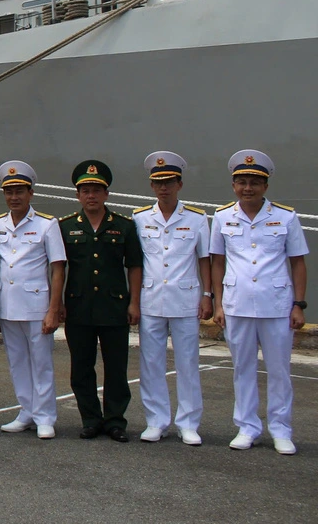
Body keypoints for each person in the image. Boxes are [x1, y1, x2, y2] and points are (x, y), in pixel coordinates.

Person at [211, 150, 308, 455]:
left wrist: (298, 304)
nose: (248, 188)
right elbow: (217, 262)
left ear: (265, 186)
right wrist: (218, 304)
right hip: (238, 303)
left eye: (254, 182)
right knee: (243, 368)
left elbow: (298, 263)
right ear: (233, 185)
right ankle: (247, 427)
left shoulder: (286, 216)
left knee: (279, 370)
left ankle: (281, 429)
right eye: (242, 182)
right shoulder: (222, 216)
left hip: (276, 305)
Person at [59, 160, 142, 442]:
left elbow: (134, 266)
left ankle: (116, 420)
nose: (91, 195)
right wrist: (57, 303)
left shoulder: (124, 226)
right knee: (81, 367)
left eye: (96, 189)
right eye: (85, 190)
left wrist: (134, 303)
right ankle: (91, 419)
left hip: (114, 306)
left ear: (106, 194)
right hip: (78, 306)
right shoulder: (66, 227)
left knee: (116, 367)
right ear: (77, 195)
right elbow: (58, 268)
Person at [132, 151, 211, 446]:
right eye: (158, 183)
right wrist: (134, 300)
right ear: (152, 187)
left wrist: (207, 295)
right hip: (151, 299)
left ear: (179, 184)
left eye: (169, 182)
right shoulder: (140, 218)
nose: (163, 188)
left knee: (188, 363)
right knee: (150, 363)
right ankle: (156, 421)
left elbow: (205, 259)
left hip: (185, 299)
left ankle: (188, 423)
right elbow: (136, 262)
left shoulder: (197, 218)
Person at [0, 160, 65, 440]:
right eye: (9, 192)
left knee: (41, 362)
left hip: (37, 306)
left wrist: (53, 310)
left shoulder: (47, 224)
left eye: (20, 191)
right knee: (17, 361)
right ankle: (27, 411)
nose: (14, 197)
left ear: (30, 193)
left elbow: (58, 268)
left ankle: (45, 416)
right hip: (8, 305)